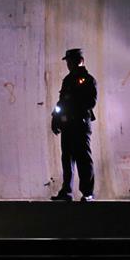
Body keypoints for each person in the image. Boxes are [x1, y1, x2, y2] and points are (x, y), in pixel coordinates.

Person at [50, 48, 97, 202]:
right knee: (67, 158)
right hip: (68, 125)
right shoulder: (67, 80)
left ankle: (87, 192)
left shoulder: (88, 79)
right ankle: (67, 191)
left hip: (81, 125)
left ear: (79, 61)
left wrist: (73, 107)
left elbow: (91, 102)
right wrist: (56, 118)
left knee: (83, 158)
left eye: (70, 61)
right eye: (67, 62)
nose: (68, 65)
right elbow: (61, 102)